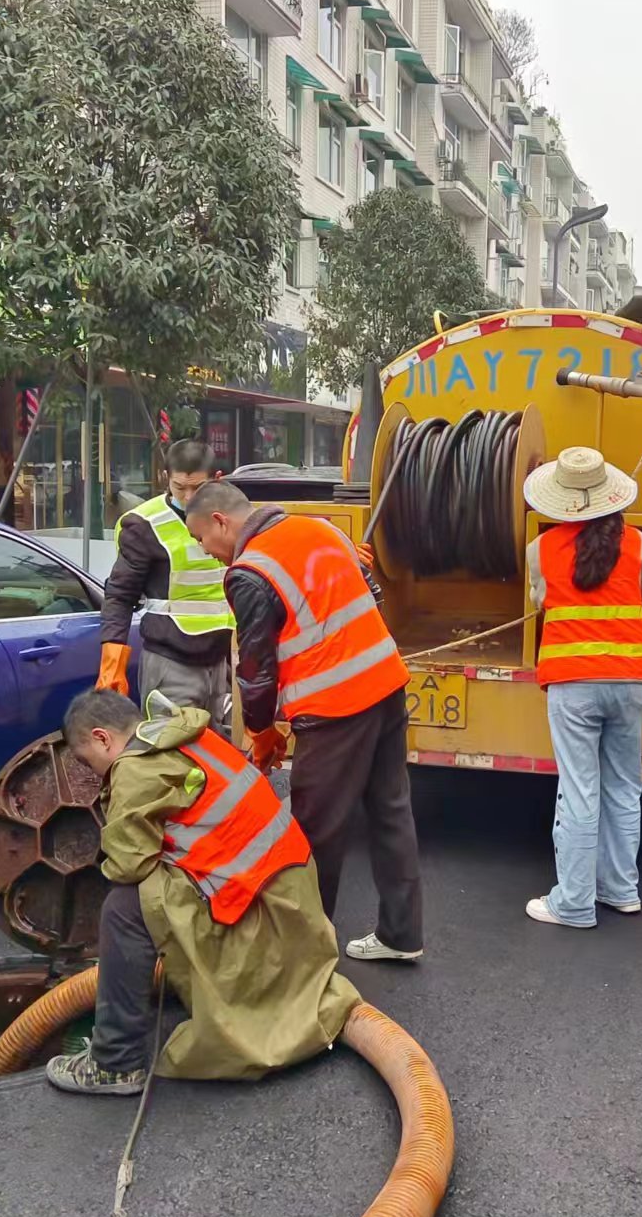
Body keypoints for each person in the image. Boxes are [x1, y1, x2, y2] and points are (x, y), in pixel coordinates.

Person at [46, 690, 360, 1093]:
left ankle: (115, 1064)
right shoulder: (186, 733)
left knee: (124, 908)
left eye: (89, 761)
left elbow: (128, 866)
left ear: (103, 738)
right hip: (290, 896)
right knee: (155, 885)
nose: (94, 775)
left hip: (259, 911)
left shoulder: (137, 767)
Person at [186, 481, 425, 963]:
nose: (206, 553)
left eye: (200, 540)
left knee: (315, 830)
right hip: (385, 681)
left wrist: (261, 731)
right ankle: (401, 935)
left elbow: (255, 668)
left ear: (220, 522)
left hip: (335, 708)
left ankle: (304, 955)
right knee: (391, 811)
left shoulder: (249, 571)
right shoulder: (321, 530)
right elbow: (370, 595)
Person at [521, 447, 642, 929]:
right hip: (629, 682)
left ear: (559, 500)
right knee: (624, 787)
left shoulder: (539, 550)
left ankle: (574, 903)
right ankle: (622, 890)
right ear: (610, 495)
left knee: (579, 792)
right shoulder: (639, 544)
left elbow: (540, 603)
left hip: (572, 684)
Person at [99, 440, 235, 732]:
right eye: (179, 487)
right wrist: (113, 664)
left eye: (197, 488)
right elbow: (120, 596)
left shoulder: (231, 517)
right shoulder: (144, 525)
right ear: (165, 479)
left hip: (224, 661)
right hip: (172, 660)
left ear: (218, 479)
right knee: (174, 757)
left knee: (226, 757)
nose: (187, 498)